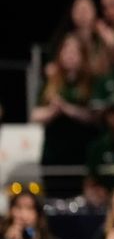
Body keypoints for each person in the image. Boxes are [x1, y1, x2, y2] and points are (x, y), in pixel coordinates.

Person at [30, 33, 98, 197]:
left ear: (83, 56)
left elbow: (96, 116)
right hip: (54, 153)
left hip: (82, 151)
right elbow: (35, 115)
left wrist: (68, 109)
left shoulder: (91, 81)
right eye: (66, 51)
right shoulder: (52, 82)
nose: (70, 56)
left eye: (75, 52)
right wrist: (53, 111)